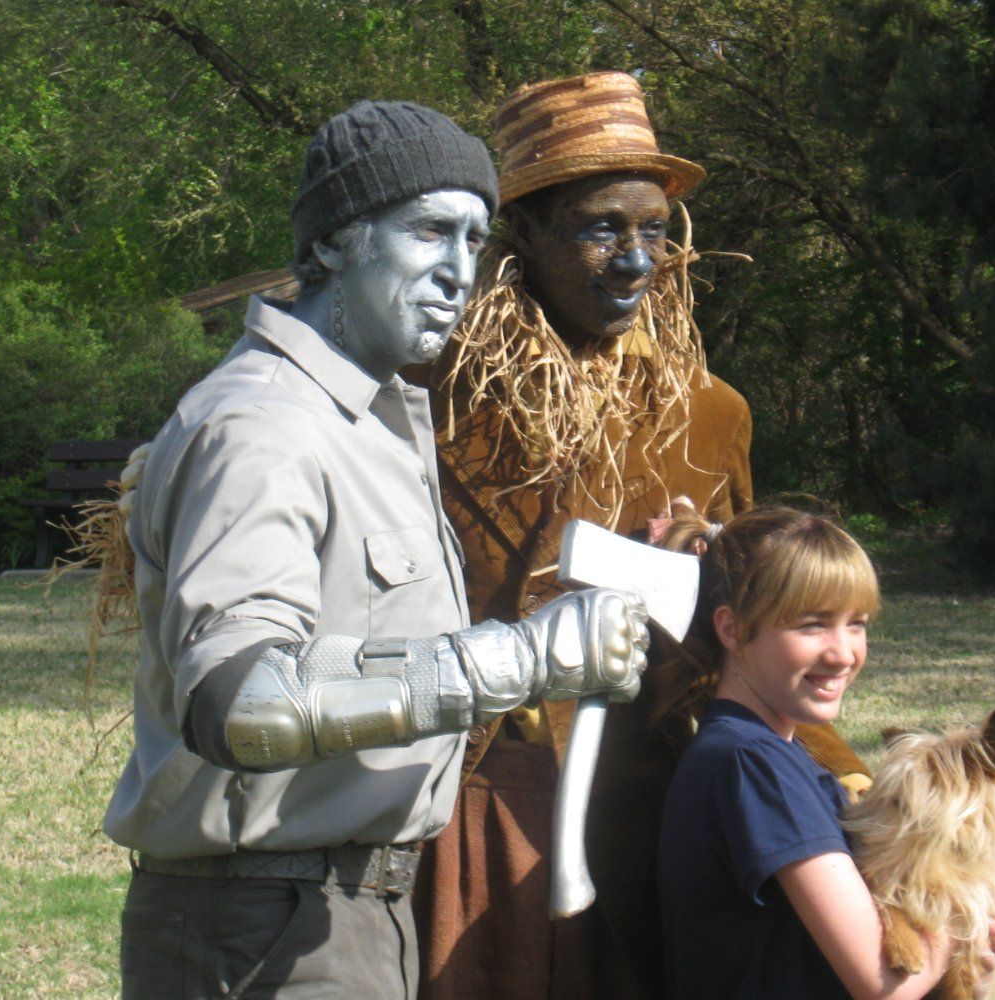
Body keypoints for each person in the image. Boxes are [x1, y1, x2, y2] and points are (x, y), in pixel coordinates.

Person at [103, 99, 649, 999]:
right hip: (261, 927)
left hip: (353, 911)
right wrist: (516, 661)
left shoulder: (372, 420)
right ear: (330, 243)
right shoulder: (263, 426)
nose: (457, 271)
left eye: (473, 240)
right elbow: (243, 702)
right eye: (428, 231)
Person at [413, 71, 872, 998]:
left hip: (639, 803)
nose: (634, 262)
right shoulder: (428, 397)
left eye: (653, 231)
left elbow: (747, 628)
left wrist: (842, 775)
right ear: (522, 233)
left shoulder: (706, 414)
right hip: (473, 797)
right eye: (599, 229)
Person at [657, 506, 995, 999]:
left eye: (857, 624)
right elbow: (886, 985)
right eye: (813, 625)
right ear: (733, 630)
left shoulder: (784, 758)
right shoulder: (753, 765)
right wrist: (972, 906)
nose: (843, 653)